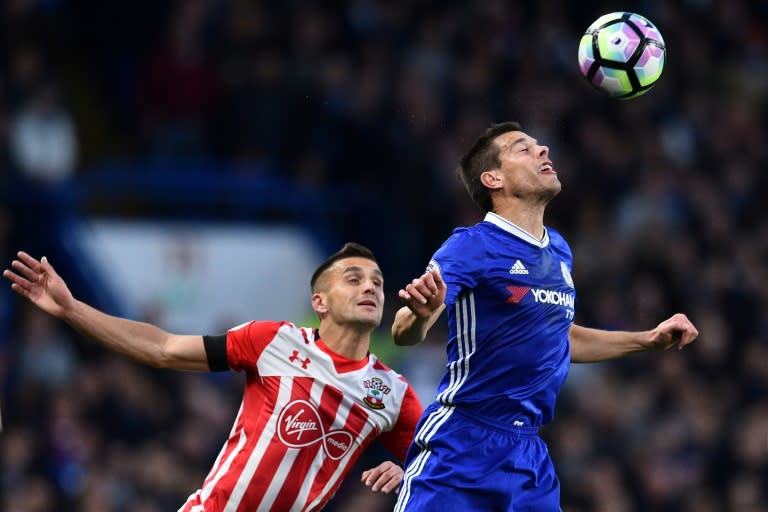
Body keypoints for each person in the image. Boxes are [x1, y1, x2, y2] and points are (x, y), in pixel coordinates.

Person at [390, 121, 700, 511]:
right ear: (493, 178)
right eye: (522, 148)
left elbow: (560, 338)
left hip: (528, 457)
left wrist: (648, 339)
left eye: (539, 145)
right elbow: (406, 329)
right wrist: (418, 314)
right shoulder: (471, 245)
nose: (542, 151)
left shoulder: (558, 251)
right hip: (462, 442)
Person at [3, 242, 423, 511]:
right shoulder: (273, 340)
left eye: (378, 282)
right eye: (354, 279)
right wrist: (73, 309)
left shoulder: (391, 393)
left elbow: (445, 462)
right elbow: (163, 349)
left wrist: (409, 473)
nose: (370, 287)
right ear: (320, 302)